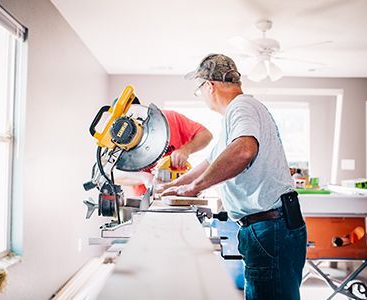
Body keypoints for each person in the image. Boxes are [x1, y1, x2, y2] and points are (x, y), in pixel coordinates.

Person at [161, 54, 307, 300]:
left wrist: (194, 187)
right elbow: (212, 160)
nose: (202, 95)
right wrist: (176, 184)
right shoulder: (237, 114)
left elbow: (244, 150)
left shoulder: (241, 107)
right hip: (271, 225)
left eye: (200, 89)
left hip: (270, 227)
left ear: (209, 85)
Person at [115, 109, 213, 196]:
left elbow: (206, 135)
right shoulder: (117, 141)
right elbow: (113, 174)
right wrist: (146, 178)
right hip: (146, 198)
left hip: (180, 191)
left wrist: (186, 149)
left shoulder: (169, 118)